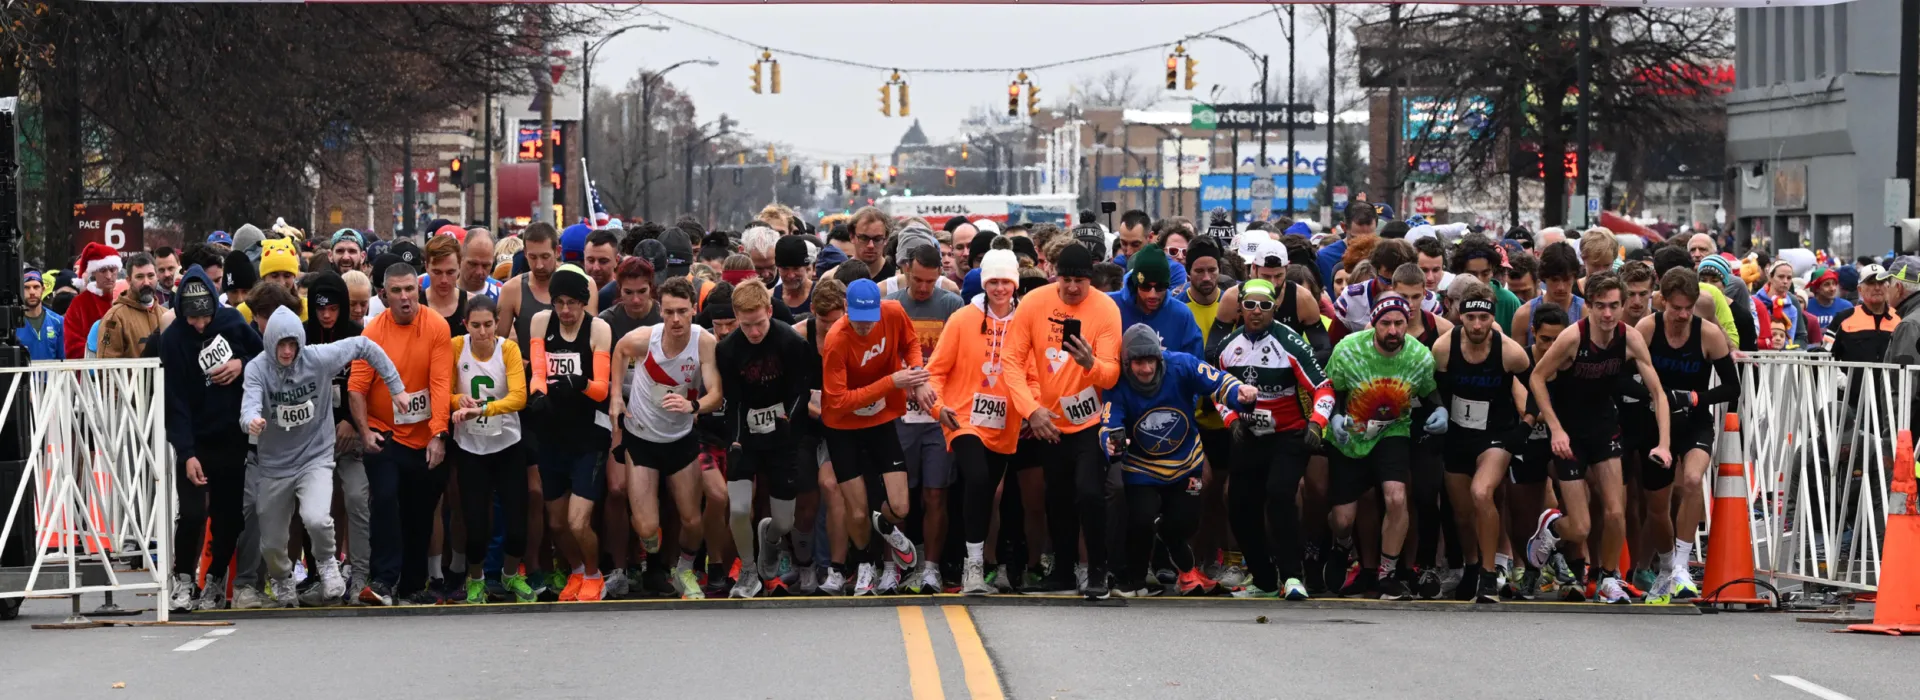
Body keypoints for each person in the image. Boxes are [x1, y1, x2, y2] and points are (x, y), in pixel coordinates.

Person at [242, 306, 405, 607]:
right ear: (270, 343)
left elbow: (364, 345)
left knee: (316, 518)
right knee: (273, 543)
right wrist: (251, 420)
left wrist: (396, 387)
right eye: (281, 345)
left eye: (292, 344)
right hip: (274, 465)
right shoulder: (257, 368)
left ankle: (328, 563)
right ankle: (281, 579)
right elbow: (249, 403)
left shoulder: (317, 357)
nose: (287, 352)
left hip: (314, 456)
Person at [1526, 270, 1672, 605]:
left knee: (1616, 512)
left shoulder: (1630, 338)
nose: (1608, 314)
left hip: (1604, 427)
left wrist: (1663, 444)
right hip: (1570, 432)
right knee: (1580, 527)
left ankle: (1607, 578)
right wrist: (1556, 429)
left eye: (1614, 306)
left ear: (1623, 305)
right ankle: (1551, 526)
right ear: (1589, 306)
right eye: (1600, 306)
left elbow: (1658, 393)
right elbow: (1537, 378)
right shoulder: (1572, 338)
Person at [1001, 243, 1123, 598]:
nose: (1071, 287)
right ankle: (1064, 571)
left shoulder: (1106, 308)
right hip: (1049, 419)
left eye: (1079, 281)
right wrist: (1031, 410)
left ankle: (1097, 569)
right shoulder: (1034, 302)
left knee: (1089, 492)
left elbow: (1112, 374)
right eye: (1065, 279)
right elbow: (1011, 360)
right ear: (1054, 275)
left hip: (1090, 421)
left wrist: (1090, 364)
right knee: (1057, 496)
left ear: (1090, 280)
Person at [1104, 323, 1255, 598]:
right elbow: (1109, 423)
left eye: (1150, 361)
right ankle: (1134, 580)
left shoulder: (1182, 364)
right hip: (1141, 467)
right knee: (1140, 519)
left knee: (1186, 523)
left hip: (1186, 462)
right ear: (1126, 363)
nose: (1146, 369)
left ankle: (1177, 556)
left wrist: (1240, 393)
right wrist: (1113, 443)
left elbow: (1218, 381)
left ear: (1160, 357)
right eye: (1138, 363)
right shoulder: (1117, 382)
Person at [1212, 279, 1333, 600]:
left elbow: (1323, 388)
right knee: (1239, 504)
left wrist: (1317, 424)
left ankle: (1293, 576)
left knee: (1279, 494)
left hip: (1287, 434)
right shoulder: (1228, 346)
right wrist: (1231, 420)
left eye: (1264, 305)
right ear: (1240, 308)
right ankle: (1264, 580)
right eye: (1250, 305)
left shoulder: (1290, 342)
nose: (1257, 311)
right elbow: (1217, 390)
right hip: (1248, 434)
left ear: (1274, 309)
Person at [1323, 294, 1443, 600]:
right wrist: (1334, 418)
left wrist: (1439, 411)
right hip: (1351, 435)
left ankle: (1386, 574)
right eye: (1386, 323)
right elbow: (1331, 390)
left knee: (1397, 497)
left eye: (1399, 323)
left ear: (1407, 322)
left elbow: (1429, 393)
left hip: (1393, 431)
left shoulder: (1419, 356)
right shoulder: (1348, 349)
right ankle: (1342, 545)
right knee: (1343, 519)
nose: (1393, 330)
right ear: (1373, 323)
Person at [349, 262, 455, 606]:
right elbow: (357, 388)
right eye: (396, 291)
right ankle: (382, 580)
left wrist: (439, 435)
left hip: (425, 435)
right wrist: (364, 432)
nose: (405, 297)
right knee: (385, 499)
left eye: (410, 289)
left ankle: (411, 584)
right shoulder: (372, 333)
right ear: (384, 295)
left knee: (420, 511)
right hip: (384, 433)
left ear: (418, 291)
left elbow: (441, 383)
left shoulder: (436, 326)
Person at [610, 276, 722, 600]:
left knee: (692, 520)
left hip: (681, 438)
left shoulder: (704, 342)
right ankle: (650, 553)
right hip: (642, 439)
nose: (676, 319)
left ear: (693, 310)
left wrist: (693, 405)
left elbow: (716, 393)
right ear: (660, 311)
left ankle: (684, 570)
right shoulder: (646, 339)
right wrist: (616, 396)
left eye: (682, 312)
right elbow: (620, 350)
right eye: (669, 311)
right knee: (647, 529)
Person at [158, 266, 262, 611]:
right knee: (191, 512)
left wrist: (241, 364)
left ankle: (216, 578)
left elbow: (264, 357)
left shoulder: (232, 322)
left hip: (231, 436)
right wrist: (186, 453)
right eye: (193, 318)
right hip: (195, 439)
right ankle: (184, 578)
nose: (200, 325)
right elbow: (174, 400)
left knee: (229, 515)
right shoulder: (174, 338)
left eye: (205, 318)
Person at [1634, 268, 1738, 604]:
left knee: (1693, 479)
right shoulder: (1647, 328)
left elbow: (1731, 387)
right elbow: (1622, 377)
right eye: (1676, 308)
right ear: (1662, 301)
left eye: (1688, 309)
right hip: (1654, 425)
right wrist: (1655, 395)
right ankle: (1664, 566)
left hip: (1694, 420)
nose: (1682, 315)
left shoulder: (1708, 334)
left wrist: (1695, 397)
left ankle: (1681, 564)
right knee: (1657, 506)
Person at [820, 278, 929, 596]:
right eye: (858, 320)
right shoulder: (836, 339)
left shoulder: (893, 312)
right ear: (846, 309)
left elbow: (911, 343)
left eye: (870, 320)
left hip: (880, 419)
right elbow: (839, 401)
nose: (865, 327)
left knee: (901, 506)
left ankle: (883, 524)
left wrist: (916, 373)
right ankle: (865, 564)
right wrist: (891, 382)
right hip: (843, 427)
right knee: (855, 511)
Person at [924, 249, 1023, 595]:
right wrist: (937, 408)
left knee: (985, 492)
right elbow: (936, 371)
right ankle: (974, 567)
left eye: (1006, 282)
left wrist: (1032, 409)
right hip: (961, 417)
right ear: (984, 284)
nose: (999, 289)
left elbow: (1032, 373)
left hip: (1005, 423)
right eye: (993, 281)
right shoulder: (963, 319)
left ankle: (976, 564)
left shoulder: (1025, 321)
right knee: (978, 478)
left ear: (1015, 283)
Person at [1431, 277, 1532, 603]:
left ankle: (1489, 576)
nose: (1477, 325)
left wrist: (1525, 427)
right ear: (1459, 314)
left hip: (1495, 435)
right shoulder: (1444, 348)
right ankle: (1473, 565)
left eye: (1484, 317)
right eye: (1470, 317)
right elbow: (1433, 390)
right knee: (1462, 513)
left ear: (1493, 317)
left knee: (1481, 492)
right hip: (1457, 435)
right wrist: (1438, 412)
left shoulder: (1510, 352)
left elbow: (1538, 388)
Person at [713, 279, 815, 598]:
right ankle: (747, 571)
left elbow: (801, 393)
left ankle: (770, 540)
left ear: (770, 311)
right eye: (746, 325)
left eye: (759, 323)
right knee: (738, 509)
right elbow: (732, 401)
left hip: (783, 437)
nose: (754, 332)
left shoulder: (790, 342)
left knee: (784, 521)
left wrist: (787, 422)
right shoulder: (727, 350)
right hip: (746, 435)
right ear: (736, 318)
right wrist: (735, 440)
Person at [526, 264, 615, 602]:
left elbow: (602, 388)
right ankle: (577, 570)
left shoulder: (598, 329)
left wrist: (579, 383)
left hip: (588, 436)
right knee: (557, 524)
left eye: (572, 303)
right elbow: (538, 373)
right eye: (559, 302)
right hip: (552, 434)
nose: (565, 310)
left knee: (578, 522)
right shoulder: (540, 322)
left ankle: (594, 575)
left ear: (583, 302)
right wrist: (538, 395)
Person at [885, 241, 966, 593]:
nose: (923, 287)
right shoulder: (891, 306)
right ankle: (894, 565)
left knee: (936, 494)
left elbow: (959, 361)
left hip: (937, 416)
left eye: (930, 281)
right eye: (917, 279)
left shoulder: (951, 306)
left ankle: (931, 567)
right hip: (900, 415)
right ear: (905, 270)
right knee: (897, 498)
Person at [446, 296, 535, 604]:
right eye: (475, 325)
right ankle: (475, 579)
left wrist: (482, 409)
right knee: (475, 522)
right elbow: (444, 391)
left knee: (516, 521)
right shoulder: (456, 347)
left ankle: (510, 574)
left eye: (488, 325)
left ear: (497, 324)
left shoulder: (507, 349)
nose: (482, 332)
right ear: (465, 325)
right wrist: (458, 401)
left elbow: (519, 397)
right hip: (470, 447)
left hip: (507, 444)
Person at [1510, 242, 1585, 345]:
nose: (1561, 287)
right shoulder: (1524, 315)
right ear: (1544, 277)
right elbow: (1518, 355)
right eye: (1554, 280)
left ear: (1574, 277)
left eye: (1566, 279)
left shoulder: (1585, 312)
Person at [96, 251, 166, 359]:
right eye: (140, 277)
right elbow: (106, 366)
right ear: (129, 280)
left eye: (151, 276)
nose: (146, 282)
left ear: (157, 277)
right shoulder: (115, 317)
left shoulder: (166, 315)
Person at [1824, 264, 1898, 363]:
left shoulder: (1901, 318)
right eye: (1871, 283)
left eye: (1881, 282)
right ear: (1860, 289)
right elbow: (1825, 355)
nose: (1877, 287)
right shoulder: (1842, 319)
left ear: (1888, 286)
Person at [64, 242, 121, 359]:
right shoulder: (79, 304)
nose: (109, 276)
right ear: (94, 272)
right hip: (91, 368)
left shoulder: (126, 298)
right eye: (103, 270)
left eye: (112, 270)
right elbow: (72, 346)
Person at [423, 234, 470, 335]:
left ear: (460, 267)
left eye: (450, 272)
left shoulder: (472, 305)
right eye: (437, 272)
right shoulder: (414, 307)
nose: (444, 280)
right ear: (426, 267)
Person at [18, 270, 64, 360]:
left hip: (52, 370)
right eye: (26, 287)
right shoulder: (13, 323)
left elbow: (64, 360)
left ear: (43, 289)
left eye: (36, 287)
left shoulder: (58, 321)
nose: (32, 292)